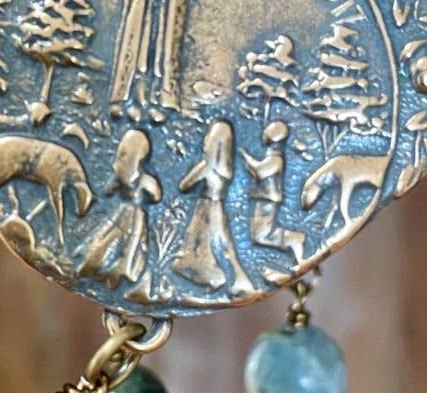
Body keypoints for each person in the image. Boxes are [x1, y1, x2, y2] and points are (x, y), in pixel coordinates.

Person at [172, 120, 254, 296]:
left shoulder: (207, 167)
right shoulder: (226, 170)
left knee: (207, 242)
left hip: (206, 208)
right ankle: (232, 278)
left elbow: (184, 185)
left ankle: (219, 278)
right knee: (221, 244)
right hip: (218, 208)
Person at [79, 129, 161, 288]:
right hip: (132, 215)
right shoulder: (145, 180)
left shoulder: (131, 179)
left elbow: (108, 191)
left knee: (116, 241)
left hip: (127, 215)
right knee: (121, 241)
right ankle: (116, 269)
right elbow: (156, 196)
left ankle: (112, 268)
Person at [240, 120, 306, 263]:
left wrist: (247, 159)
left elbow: (260, 172)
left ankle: (294, 238)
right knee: (257, 235)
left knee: (260, 235)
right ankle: (292, 239)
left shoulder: (276, 160)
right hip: (263, 197)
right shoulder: (272, 158)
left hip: (268, 199)